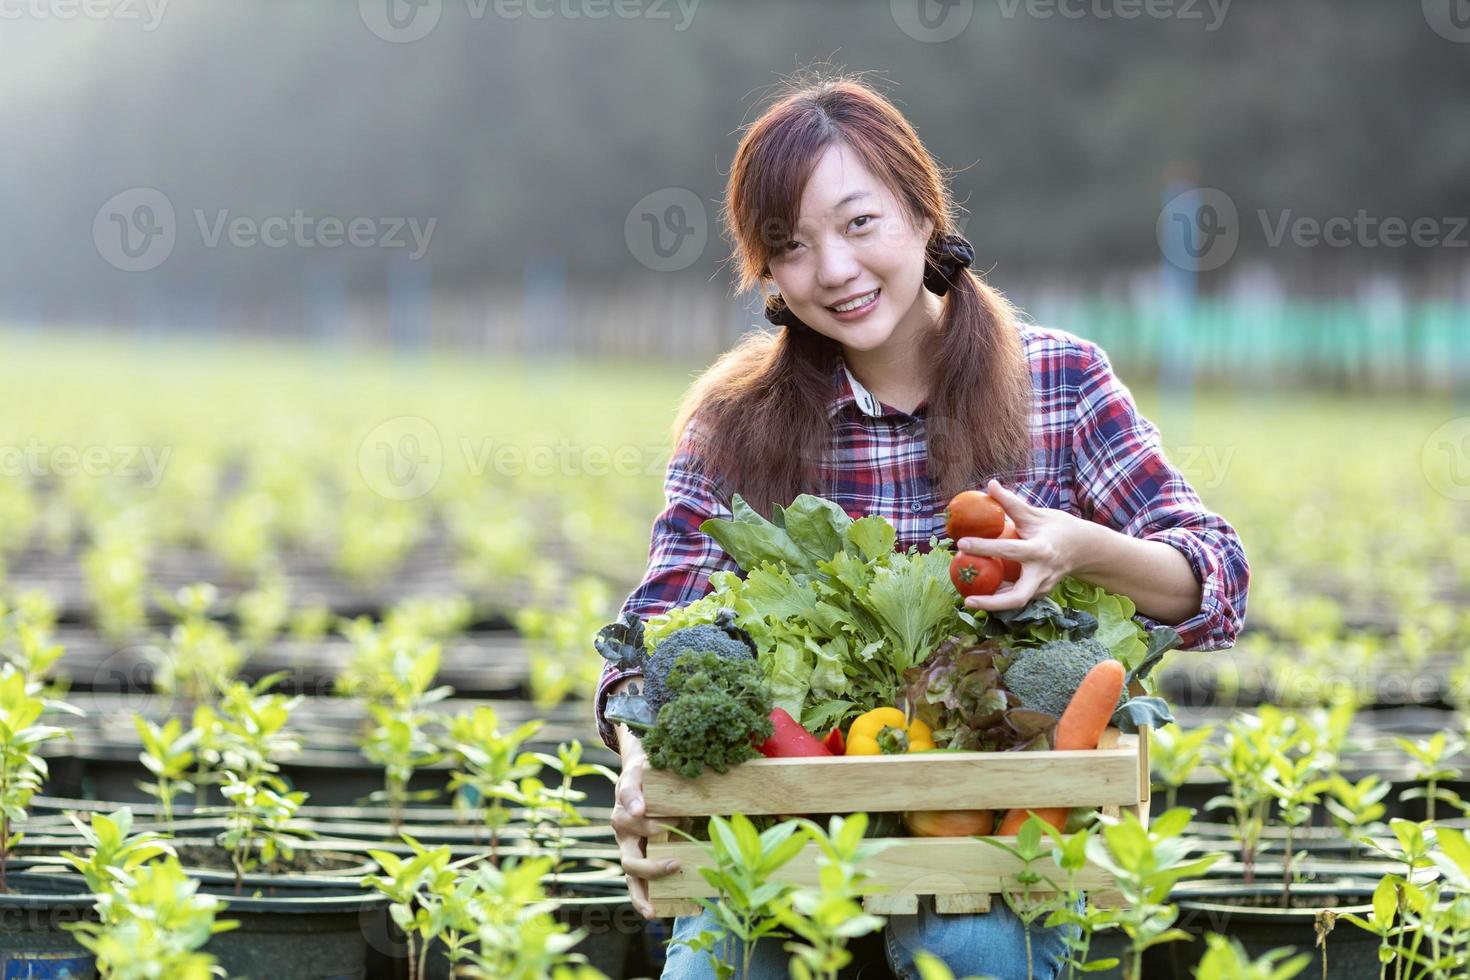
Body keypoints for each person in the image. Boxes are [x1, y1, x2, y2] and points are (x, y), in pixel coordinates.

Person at [594, 70, 1250, 980]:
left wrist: (1077, 547)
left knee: (971, 946)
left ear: (921, 214)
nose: (833, 271)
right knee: (715, 964)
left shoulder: (1060, 383)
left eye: (860, 224)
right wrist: (636, 760)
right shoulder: (734, 423)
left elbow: (1217, 580)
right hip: (788, 837)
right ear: (769, 273)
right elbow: (645, 644)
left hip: (991, 846)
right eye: (790, 245)